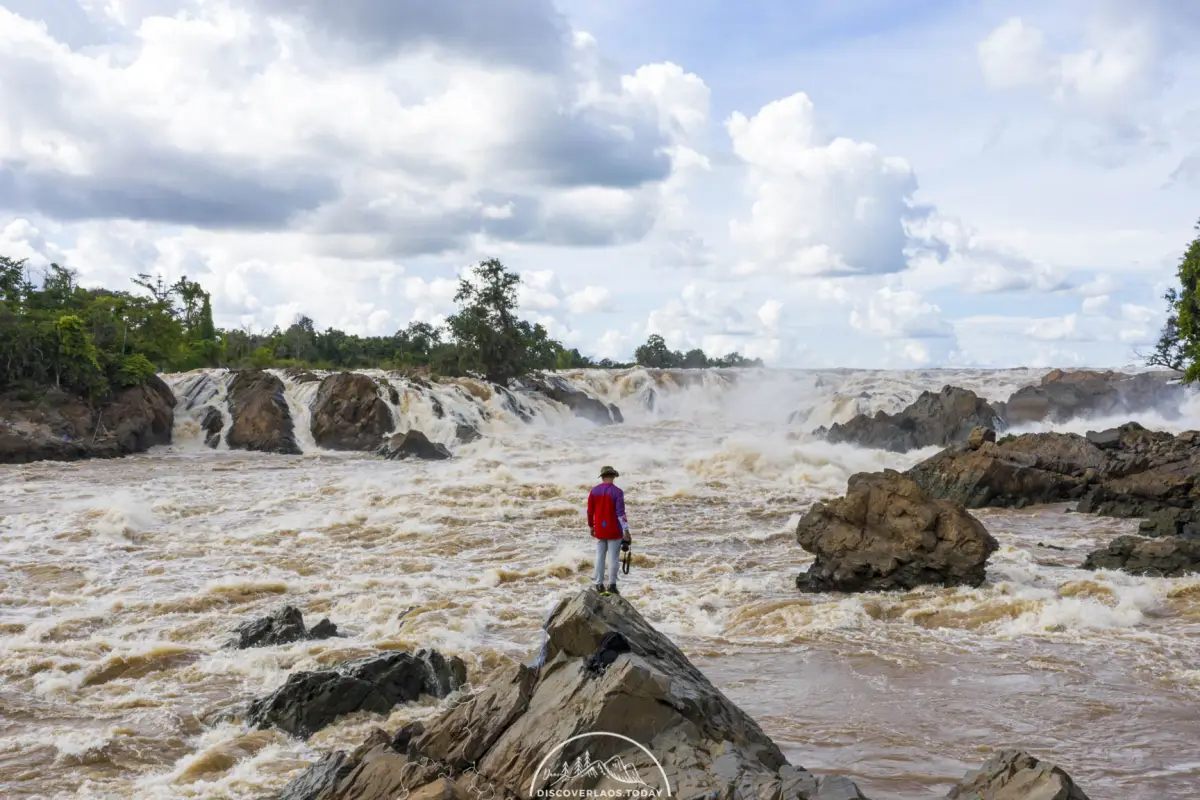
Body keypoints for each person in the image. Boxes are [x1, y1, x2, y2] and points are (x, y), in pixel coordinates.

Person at [587, 465, 631, 596]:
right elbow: (620, 513)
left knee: (599, 557)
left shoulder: (594, 491)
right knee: (613, 559)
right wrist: (626, 532)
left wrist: (591, 526)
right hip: (614, 530)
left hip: (600, 529)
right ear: (613, 476)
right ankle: (611, 586)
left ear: (602, 477)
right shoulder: (618, 492)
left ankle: (599, 585)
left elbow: (590, 511)